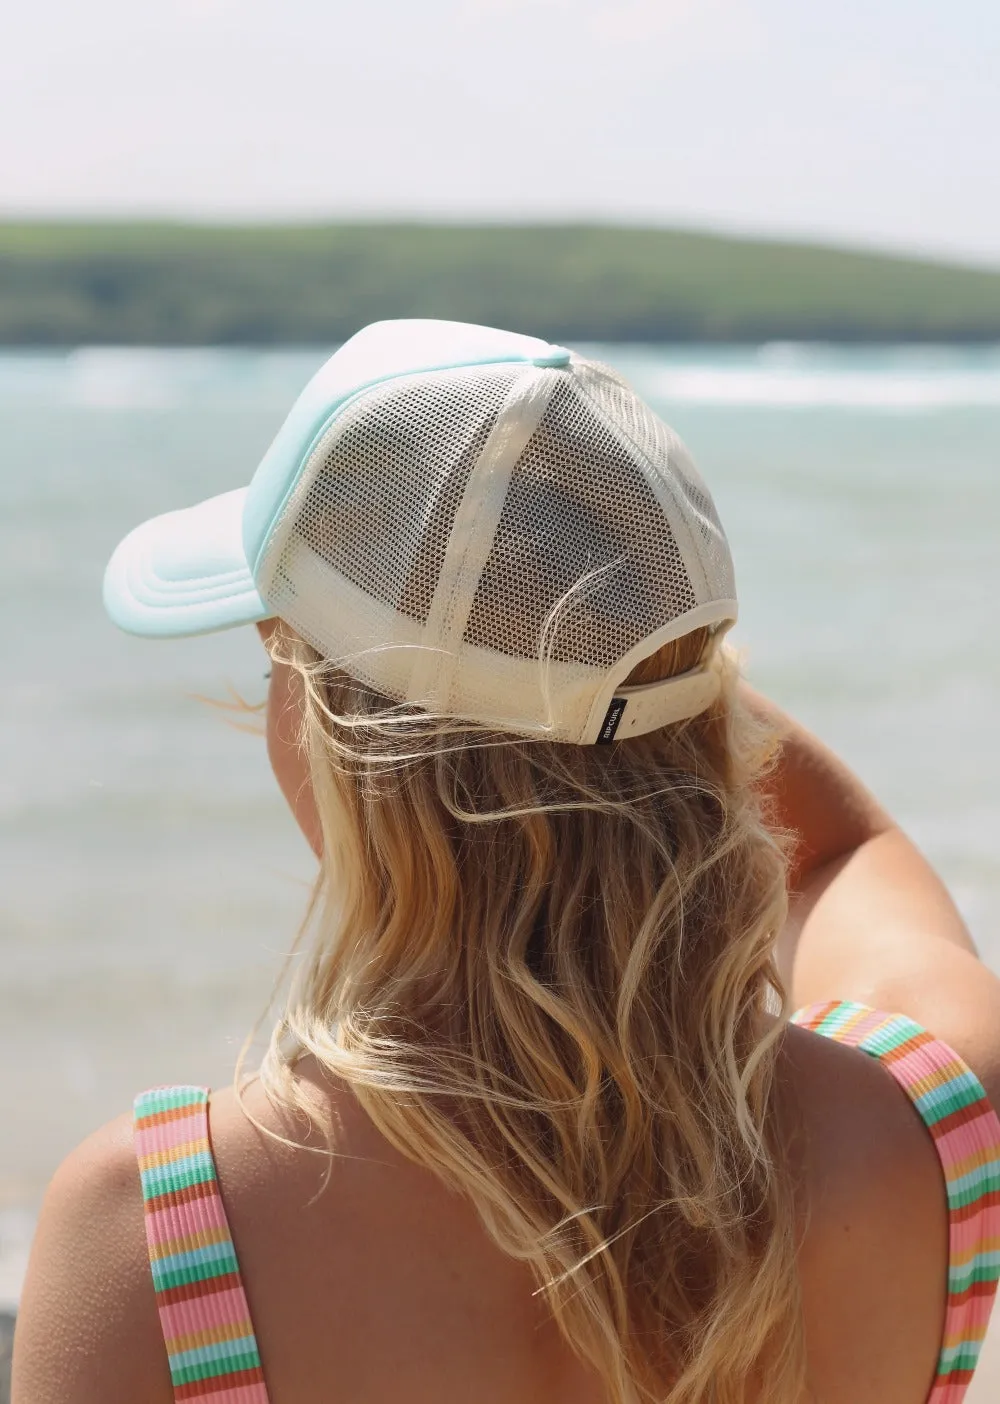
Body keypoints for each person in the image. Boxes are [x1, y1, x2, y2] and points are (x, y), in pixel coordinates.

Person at [12, 320, 1000, 1404]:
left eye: (280, 654)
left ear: (352, 748)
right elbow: (842, 853)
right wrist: (645, 689)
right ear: (709, 726)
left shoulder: (161, 1238)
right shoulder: (923, 1135)